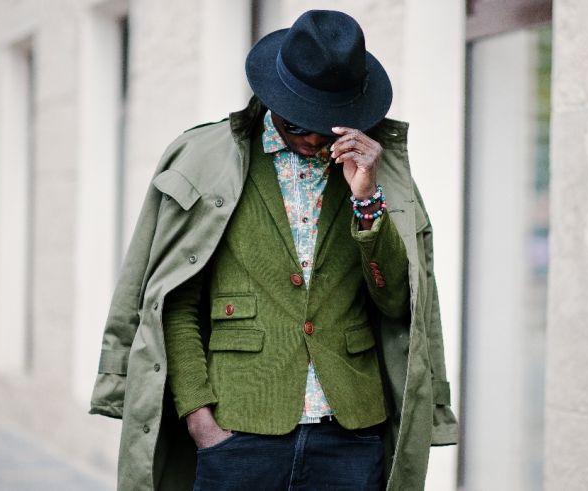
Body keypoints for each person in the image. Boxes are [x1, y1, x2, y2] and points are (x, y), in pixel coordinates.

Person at [89, 9, 457, 491]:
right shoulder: (208, 159)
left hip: (350, 433)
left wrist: (366, 199)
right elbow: (174, 302)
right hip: (238, 429)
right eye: (298, 124)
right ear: (273, 100)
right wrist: (201, 419)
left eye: (326, 128)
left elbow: (395, 302)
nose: (311, 141)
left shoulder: (378, 174)